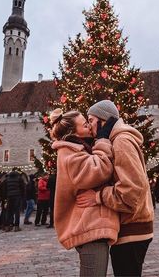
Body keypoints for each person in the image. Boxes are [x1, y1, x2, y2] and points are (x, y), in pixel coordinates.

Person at [76, 100, 154, 277]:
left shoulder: (121, 142)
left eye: (91, 120)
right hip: (129, 228)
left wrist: (97, 196)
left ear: (103, 121)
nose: (89, 126)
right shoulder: (116, 140)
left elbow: (131, 192)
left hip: (132, 229)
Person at [50, 108, 119, 277]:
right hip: (88, 228)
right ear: (74, 131)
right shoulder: (69, 153)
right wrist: (102, 140)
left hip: (91, 225)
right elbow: (99, 170)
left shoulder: (79, 148)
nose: (89, 126)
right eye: (84, 123)